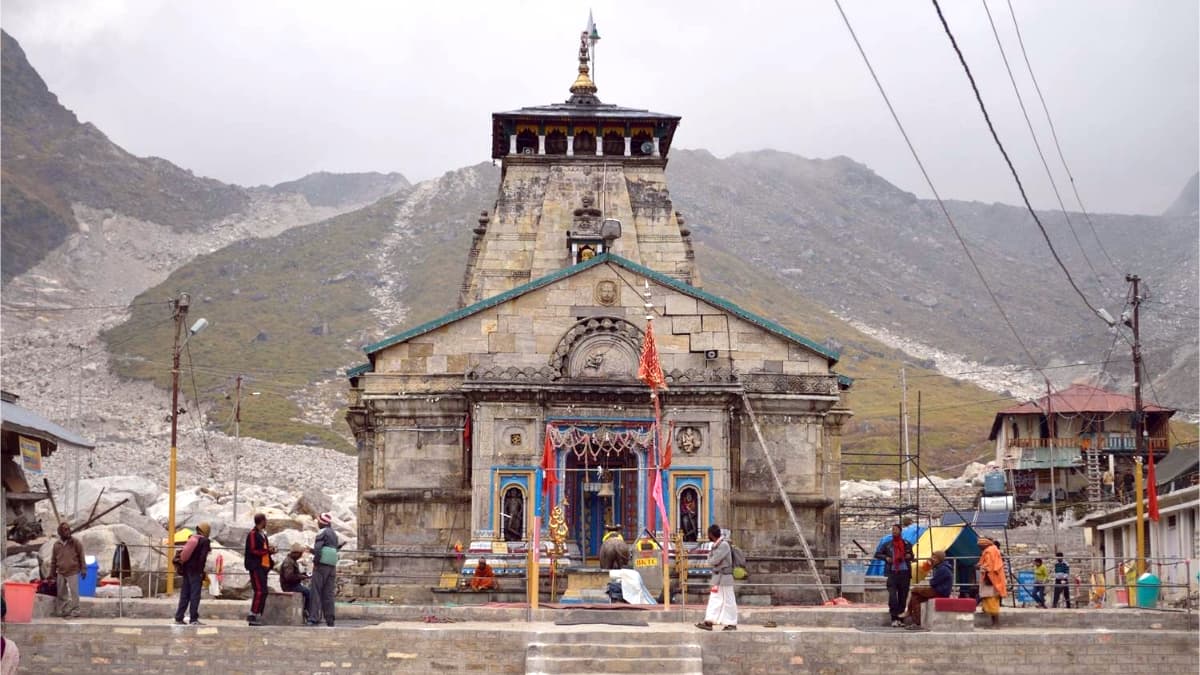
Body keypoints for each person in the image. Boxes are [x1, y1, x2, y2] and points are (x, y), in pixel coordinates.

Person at [696, 524, 737, 631]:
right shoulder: (716, 546)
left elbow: (713, 560)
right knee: (715, 599)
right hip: (718, 577)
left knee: (728, 600)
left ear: (711, 534)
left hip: (725, 578)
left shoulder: (723, 545)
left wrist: (711, 557)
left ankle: (731, 623)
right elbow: (712, 560)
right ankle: (709, 621)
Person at [873, 523, 914, 627]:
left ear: (900, 531)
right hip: (892, 573)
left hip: (904, 572)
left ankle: (901, 618)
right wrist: (886, 558)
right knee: (892, 597)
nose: (894, 531)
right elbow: (877, 554)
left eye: (896, 529)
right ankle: (894, 618)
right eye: (892, 530)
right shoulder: (887, 544)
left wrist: (908, 556)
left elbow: (912, 556)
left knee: (903, 596)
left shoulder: (906, 544)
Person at [903, 550, 953, 629]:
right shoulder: (939, 567)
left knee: (914, 590)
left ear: (940, 559)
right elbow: (931, 579)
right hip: (937, 589)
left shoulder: (943, 569)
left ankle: (912, 617)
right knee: (916, 597)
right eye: (932, 558)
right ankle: (916, 621)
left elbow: (933, 582)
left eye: (935, 558)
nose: (933, 559)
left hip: (941, 592)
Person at [174, 522, 212, 625]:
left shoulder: (192, 538)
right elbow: (202, 558)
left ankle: (179, 617)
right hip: (196, 571)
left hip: (187, 570)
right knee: (195, 595)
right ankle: (193, 619)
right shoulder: (205, 541)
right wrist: (201, 572)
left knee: (185, 594)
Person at [311, 512, 343, 627]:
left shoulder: (322, 532)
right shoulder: (334, 534)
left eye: (318, 521)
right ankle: (330, 618)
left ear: (321, 522)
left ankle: (314, 617)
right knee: (328, 593)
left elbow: (318, 548)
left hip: (321, 565)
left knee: (316, 591)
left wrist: (315, 562)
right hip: (332, 565)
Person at [244, 513, 276, 626]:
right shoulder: (253, 534)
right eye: (265, 520)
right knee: (259, 591)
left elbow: (263, 549)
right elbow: (253, 550)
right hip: (256, 566)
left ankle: (258, 614)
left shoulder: (262, 534)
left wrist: (269, 551)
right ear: (262, 521)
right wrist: (267, 551)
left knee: (264, 591)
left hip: (263, 567)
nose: (267, 522)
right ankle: (252, 615)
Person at [50, 522, 85, 619]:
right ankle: (63, 610)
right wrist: (52, 573)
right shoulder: (56, 545)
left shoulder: (75, 542)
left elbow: (81, 556)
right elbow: (53, 560)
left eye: (68, 529)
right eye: (65, 530)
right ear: (60, 532)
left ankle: (76, 611)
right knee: (61, 593)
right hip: (60, 572)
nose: (68, 531)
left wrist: (83, 569)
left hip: (73, 571)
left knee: (74, 592)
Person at [278, 542, 315, 624]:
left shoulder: (292, 561)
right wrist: (301, 577)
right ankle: (307, 612)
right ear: (295, 553)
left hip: (293, 584)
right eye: (300, 554)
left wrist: (302, 575)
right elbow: (289, 577)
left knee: (308, 591)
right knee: (309, 593)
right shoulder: (289, 562)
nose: (300, 556)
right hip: (290, 586)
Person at [977, 537, 1007, 627]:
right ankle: (994, 623)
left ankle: (996, 623)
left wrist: (979, 567)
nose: (979, 547)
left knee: (992, 601)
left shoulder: (989, 551)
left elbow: (989, 566)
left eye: (980, 546)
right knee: (990, 601)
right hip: (994, 579)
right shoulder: (993, 550)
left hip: (991, 580)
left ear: (985, 544)